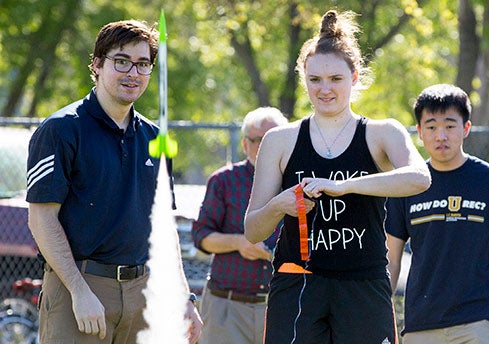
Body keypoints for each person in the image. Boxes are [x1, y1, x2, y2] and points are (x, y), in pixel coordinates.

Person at [243, 10, 431, 344]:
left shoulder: (381, 132)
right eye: (315, 80)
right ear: (304, 80)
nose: (324, 89)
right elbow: (253, 231)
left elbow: (419, 178)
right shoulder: (280, 140)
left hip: (364, 282)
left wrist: (343, 187)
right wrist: (278, 206)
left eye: (335, 79)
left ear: (355, 77)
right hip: (297, 283)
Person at [25, 20, 202, 343]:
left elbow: (163, 226)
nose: (133, 73)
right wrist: (79, 291)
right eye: (121, 61)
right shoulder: (61, 130)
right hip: (78, 289)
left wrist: (184, 297)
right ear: (96, 64)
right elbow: (41, 219)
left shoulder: (155, 138)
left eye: (143, 64)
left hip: (144, 293)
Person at [385, 84, 489, 344]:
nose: (441, 135)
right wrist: (381, 314)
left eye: (450, 126)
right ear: (419, 132)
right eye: (431, 127)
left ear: (466, 128)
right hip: (420, 325)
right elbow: (391, 260)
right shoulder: (407, 184)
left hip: (478, 323)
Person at [192, 107, 288, 344]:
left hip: (282, 307)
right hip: (228, 307)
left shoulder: (298, 183)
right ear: (245, 145)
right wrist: (239, 242)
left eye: (272, 139)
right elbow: (201, 236)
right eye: (258, 140)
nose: (265, 146)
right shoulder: (224, 180)